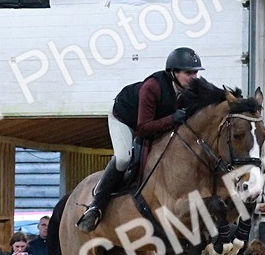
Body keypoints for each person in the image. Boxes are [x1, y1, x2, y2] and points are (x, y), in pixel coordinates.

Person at [76, 47, 205, 232]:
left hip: (157, 122)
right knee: (123, 158)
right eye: (188, 73)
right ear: (173, 73)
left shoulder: (192, 91)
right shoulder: (152, 87)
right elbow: (143, 129)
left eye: (195, 73)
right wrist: (172, 119)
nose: (193, 77)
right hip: (126, 119)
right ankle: (96, 206)